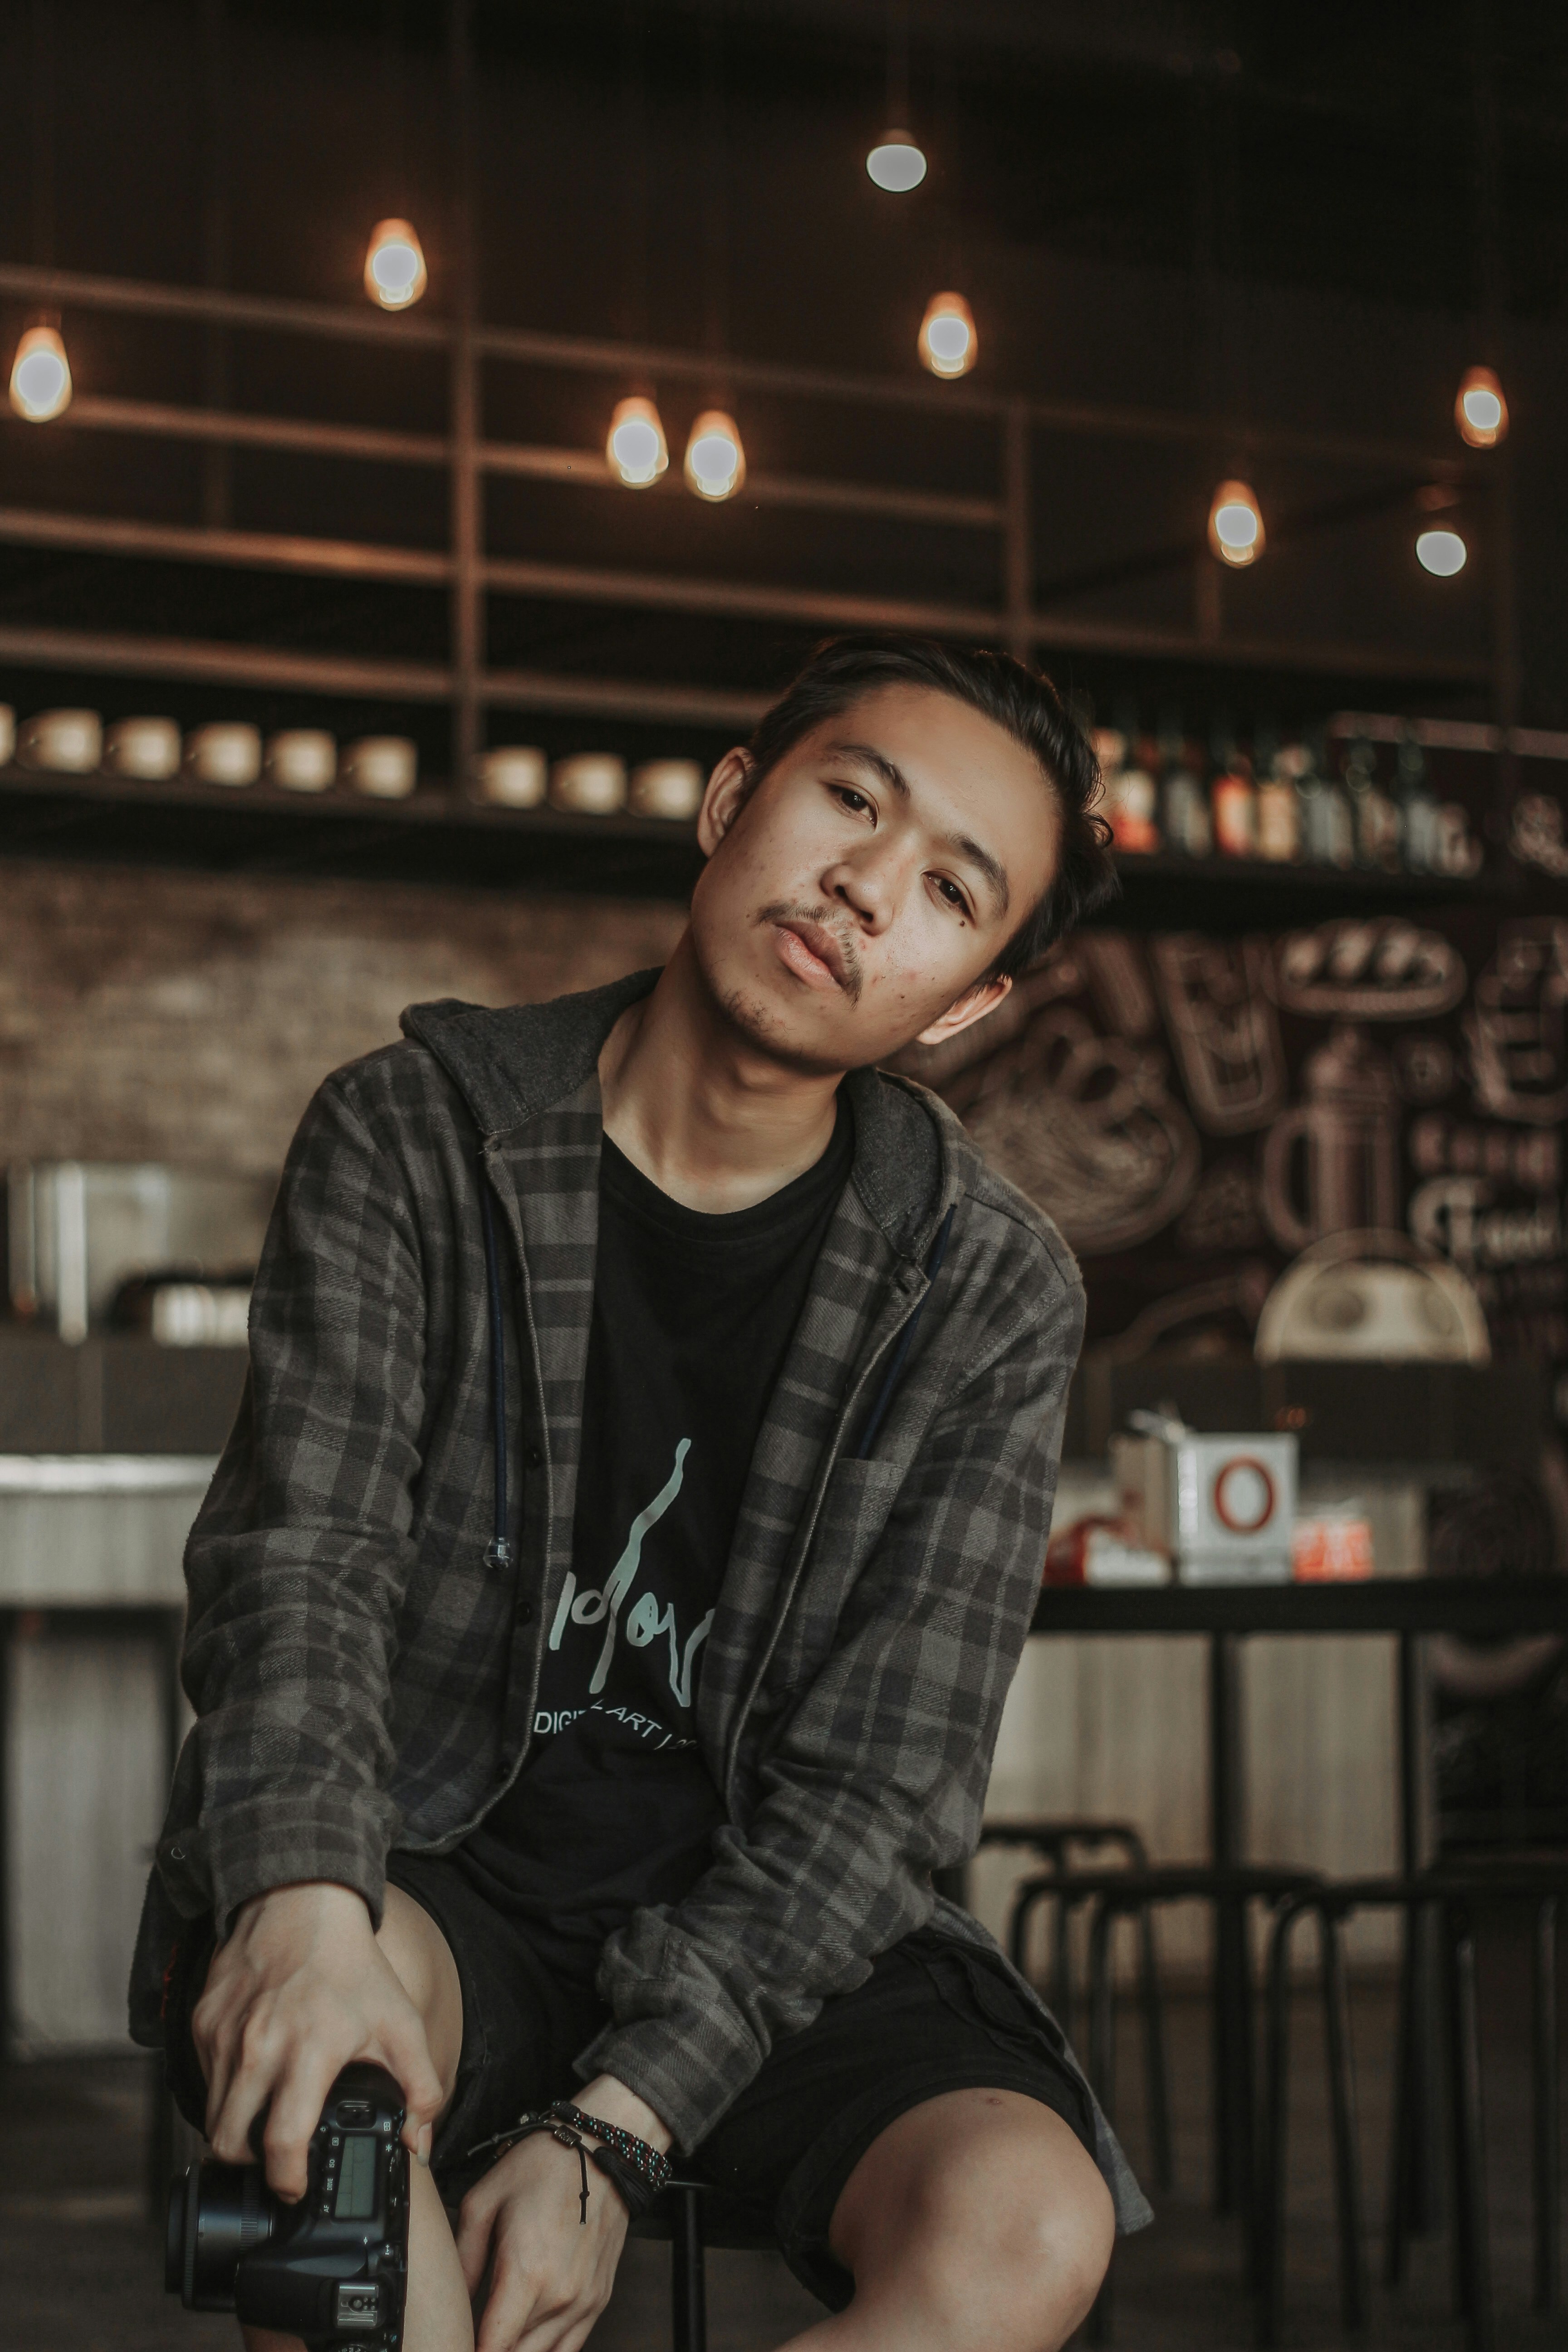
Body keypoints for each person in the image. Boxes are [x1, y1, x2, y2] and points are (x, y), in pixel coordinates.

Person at [131, 633, 1149, 2352]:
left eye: (949, 890)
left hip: (771, 1935)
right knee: (334, 2115)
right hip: (440, 1869)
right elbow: (301, 1565)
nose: (863, 888)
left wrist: (618, 2127)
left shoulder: (987, 1291)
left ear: (966, 1001)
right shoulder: (413, 1134)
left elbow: (880, 1796)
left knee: (1027, 2218)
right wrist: (307, 1916)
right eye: (850, 801)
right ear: (734, 797)